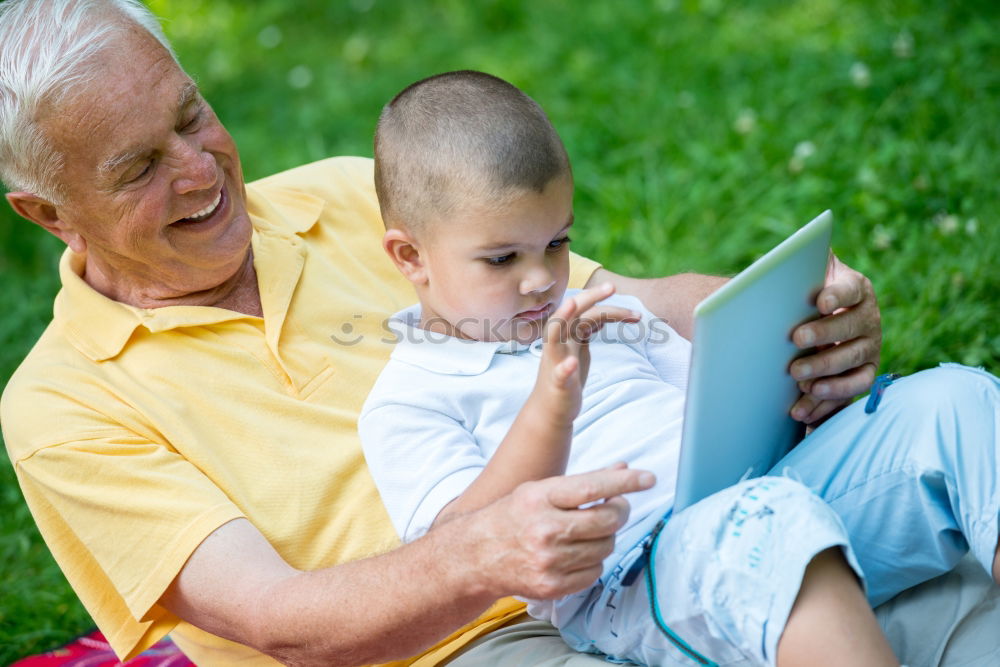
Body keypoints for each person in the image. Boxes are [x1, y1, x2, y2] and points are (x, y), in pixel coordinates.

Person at [0, 1, 923, 665]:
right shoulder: (62, 405)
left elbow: (621, 301)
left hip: (638, 545)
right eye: (140, 167)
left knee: (937, 502)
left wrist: (797, 305)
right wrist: (481, 550)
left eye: (191, 114)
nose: (203, 170)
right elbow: (281, 622)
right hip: (463, 648)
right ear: (47, 211)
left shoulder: (343, 192)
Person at [359, 71, 1000, 667]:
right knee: (770, 520)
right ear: (410, 255)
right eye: (502, 259)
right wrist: (552, 405)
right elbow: (463, 542)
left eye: (557, 243)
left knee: (958, 400)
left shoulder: (606, 314)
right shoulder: (411, 399)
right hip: (636, 574)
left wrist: (798, 390)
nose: (540, 279)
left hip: (762, 495)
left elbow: (721, 410)